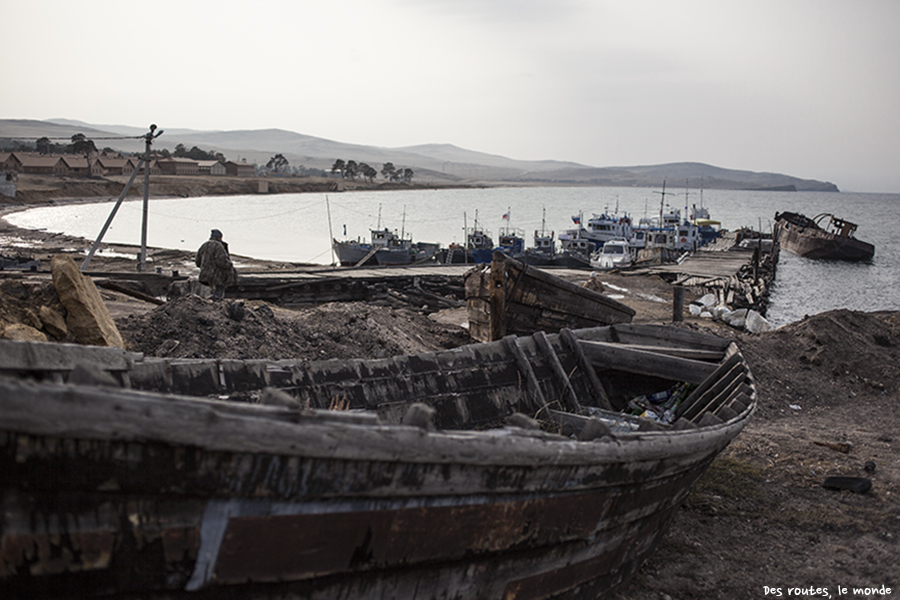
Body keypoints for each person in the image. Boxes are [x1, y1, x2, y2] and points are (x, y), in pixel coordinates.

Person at [196, 229, 236, 300]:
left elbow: (197, 262)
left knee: (209, 293)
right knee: (218, 293)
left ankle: (211, 301)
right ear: (220, 237)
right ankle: (217, 301)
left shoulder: (204, 245)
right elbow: (222, 261)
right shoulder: (218, 246)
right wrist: (230, 266)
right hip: (216, 276)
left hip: (204, 275)